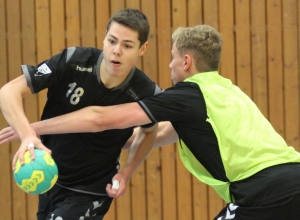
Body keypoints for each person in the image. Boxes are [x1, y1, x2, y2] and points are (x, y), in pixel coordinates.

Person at [2, 24, 300, 220]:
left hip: (264, 193)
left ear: (185, 61)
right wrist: (117, 148)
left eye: (172, 58)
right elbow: (159, 133)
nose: (169, 65)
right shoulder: (228, 91)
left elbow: (100, 118)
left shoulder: (187, 94)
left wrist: (29, 131)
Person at [0, 8, 161, 220]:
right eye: (112, 41)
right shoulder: (73, 60)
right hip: (50, 179)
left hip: (90, 190)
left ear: (142, 48)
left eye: (127, 45)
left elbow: (150, 131)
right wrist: (28, 135)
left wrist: (127, 171)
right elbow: (8, 91)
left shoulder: (145, 92)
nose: (116, 50)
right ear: (104, 38)